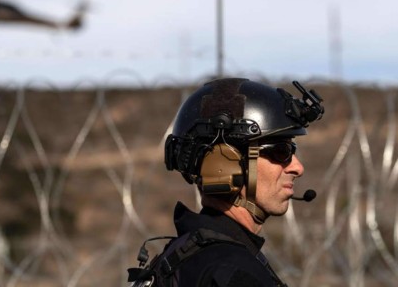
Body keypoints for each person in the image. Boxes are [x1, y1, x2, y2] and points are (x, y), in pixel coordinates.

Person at [128, 77, 324, 287]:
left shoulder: (183, 255)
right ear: (223, 163)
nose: (298, 168)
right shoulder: (232, 273)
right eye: (281, 152)